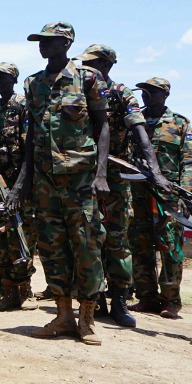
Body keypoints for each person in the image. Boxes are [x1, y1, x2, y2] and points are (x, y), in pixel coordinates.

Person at [8, 22, 109, 345]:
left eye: (49, 41)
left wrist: (101, 174)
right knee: (52, 247)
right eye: (40, 41)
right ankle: (63, 315)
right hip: (45, 181)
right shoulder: (33, 83)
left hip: (80, 178)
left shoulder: (88, 78)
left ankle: (87, 318)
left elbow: (102, 125)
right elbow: (33, 134)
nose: (42, 46)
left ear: (66, 43)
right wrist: (24, 179)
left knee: (86, 246)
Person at [77, 45, 168, 327]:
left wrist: (155, 170)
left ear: (106, 65)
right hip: (80, 175)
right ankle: (93, 300)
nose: (85, 68)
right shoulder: (76, 90)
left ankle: (119, 300)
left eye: (91, 63)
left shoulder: (120, 92)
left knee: (116, 239)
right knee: (86, 240)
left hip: (114, 177)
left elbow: (139, 130)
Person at [127, 77, 192, 319]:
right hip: (136, 194)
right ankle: (146, 297)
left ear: (165, 94)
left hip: (169, 196)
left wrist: (184, 194)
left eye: (152, 92)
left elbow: (189, 163)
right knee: (140, 245)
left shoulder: (179, 123)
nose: (146, 95)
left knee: (170, 248)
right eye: (144, 92)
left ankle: (170, 301)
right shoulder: (134, 123)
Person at [0, 62, 38, 311]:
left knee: (22, 235)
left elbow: (29, 149)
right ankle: (6, 288)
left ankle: (22, 288)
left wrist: (20, 186)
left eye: (2, 78)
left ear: (13, 80)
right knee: (0, 235)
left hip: (19, 184)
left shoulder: (23, 105)